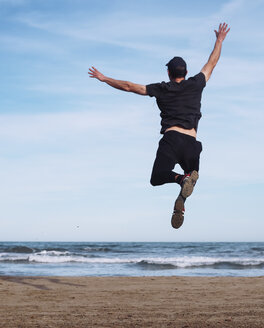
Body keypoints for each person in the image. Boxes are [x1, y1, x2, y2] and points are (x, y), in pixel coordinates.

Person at [88, 23, 230, 229]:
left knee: (157, 178)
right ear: (186, 71)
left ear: (168, 72)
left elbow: (129, 87)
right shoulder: (197, 83)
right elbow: (212, 63)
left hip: (172, 140)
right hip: (192, 142)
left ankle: (181, 180)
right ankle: (183, 191)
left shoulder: (161, 88)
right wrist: (219, 41)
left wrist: (104, 78)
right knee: (193, 176)